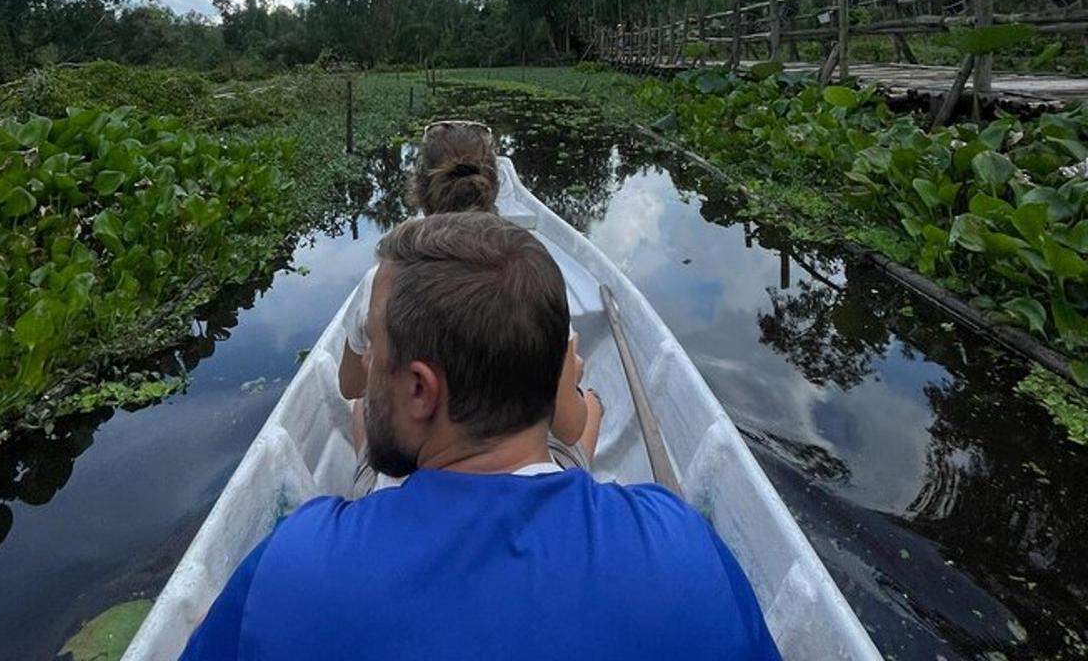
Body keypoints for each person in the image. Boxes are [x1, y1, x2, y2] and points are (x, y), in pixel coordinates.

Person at [181, 213, 782, 660]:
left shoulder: (294, 564)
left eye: (377, 349)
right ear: (557, 373)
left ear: (420, 389)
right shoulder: (683, 546)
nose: (370, 375)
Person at [339, 120, 602, 485]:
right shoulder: (532, 272)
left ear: (421, 189)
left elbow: (351, 387)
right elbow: (569, 428)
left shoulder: (381, 282)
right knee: (590, 402)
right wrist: (571, 381)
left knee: (360, 408)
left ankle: (369, 486)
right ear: (492, 186)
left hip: (407, 478)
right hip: (521, 476)